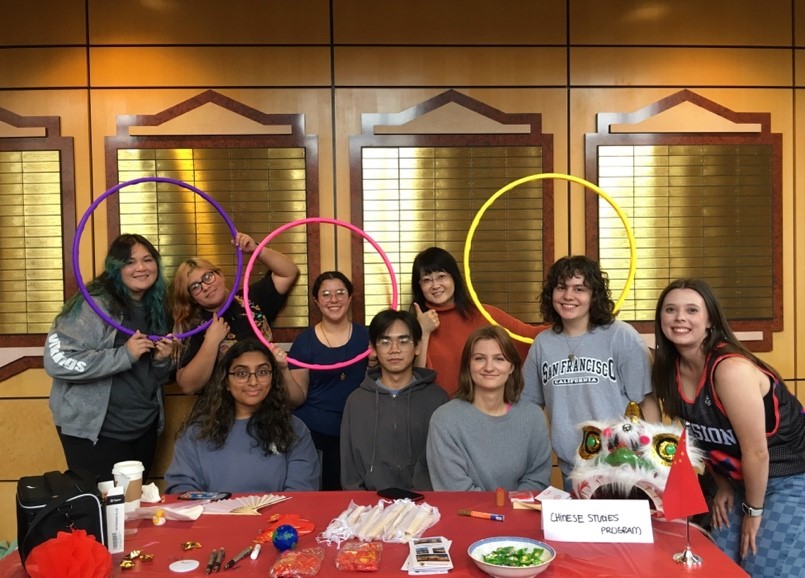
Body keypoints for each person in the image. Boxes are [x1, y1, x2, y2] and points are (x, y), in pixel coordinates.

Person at [652, 278, 805, 576]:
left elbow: (757, 452)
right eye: (670, 309)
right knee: (718, 565)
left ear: (710, 320)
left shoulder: (730, 370)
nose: (680, 317)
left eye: (692, 310)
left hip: (788, 477)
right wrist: (722, 483)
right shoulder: (668, 369)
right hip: (739, 482)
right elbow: (701, 436)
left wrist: (753, 513)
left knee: (761, 566)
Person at [44, 233, 175, 482]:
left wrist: (161, 360)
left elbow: (158, 377)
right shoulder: (92, 305)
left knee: (133, 503)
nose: (141, 267)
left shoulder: (158, 308)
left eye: (148, 259)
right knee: (103, 504)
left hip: (144, 428)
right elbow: (57, 361)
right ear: (115, 268)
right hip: (96, 433)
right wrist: (124, 355)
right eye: (130, 262)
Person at [522, 255, 660, 485]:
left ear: (594, 295)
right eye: (561, 287)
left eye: (579, 289)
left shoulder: (621, 336)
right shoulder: (542, 344)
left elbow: (647, 402)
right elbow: (530, 407)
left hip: (621, 468)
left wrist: (653, 462)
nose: (568, 296)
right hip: (571, 470)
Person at [165, 338, 320, 493]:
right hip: (211, 510)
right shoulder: (196, 432)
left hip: (280, 510)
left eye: (262, 372)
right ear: (226, 382)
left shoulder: (294, 429)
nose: (253, 382)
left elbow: (302, 491)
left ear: (273, 379)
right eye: (241, 373)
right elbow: (181, 488)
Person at [427, 325, 552, 491]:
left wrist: (512, 505)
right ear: (468, 365)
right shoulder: (444, 420)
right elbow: (455, 490)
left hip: (520, 507)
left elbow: (537, 479)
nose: (489, 367)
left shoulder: (533, 416)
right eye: (479, 358)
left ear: (511, 367)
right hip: (466, 508)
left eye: (499, 359)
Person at [171, 232, 298, 394]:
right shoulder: (194, 326)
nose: (205, 287)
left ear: (220, 275)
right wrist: (211, 341)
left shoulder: (250, 298)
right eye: (195, 287)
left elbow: (288, 272)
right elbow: (188, 386)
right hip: (222, 405)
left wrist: (256, 249)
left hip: (266, 398)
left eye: (208, 277)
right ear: (192, 298)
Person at [411, 247, 548, 395]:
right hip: (434, 406)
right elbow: (414, 380)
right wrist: (423, 331)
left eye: (441, 276)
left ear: (454, 278)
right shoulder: (412, 323)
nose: (435, 285)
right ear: (419, 286)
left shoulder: (483, 314)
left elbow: (528, 336)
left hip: (481, 406)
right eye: (427, 280)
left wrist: (566, 325)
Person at [341, 309, 449, 491]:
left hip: (427, 502)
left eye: (403, 341)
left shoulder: (437, 399)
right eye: (385, 342)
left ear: (417, 347)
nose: (394, 350)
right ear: (373, 349)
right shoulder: (357, 401)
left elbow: (446, 464)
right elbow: (349, 470)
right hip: (369, 504)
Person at [285, 271, 370, 490]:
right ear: (316, 300)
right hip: (314, 435)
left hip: (357, 431)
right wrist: (282, 370)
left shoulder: (367, 337)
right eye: (326, 294)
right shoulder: (304, 341)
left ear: (350, 297)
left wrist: (374, 364)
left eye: (340, 292)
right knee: (317, 495)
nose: (334, 299)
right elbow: (297, 397)